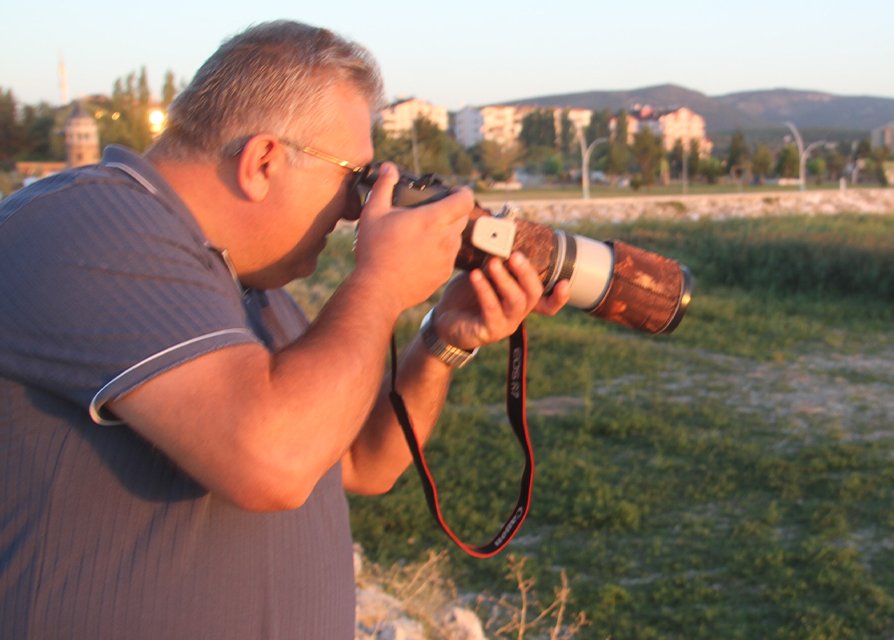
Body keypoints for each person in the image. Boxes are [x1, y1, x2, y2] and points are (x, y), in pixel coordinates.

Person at [0, 20, 568, 639]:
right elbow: (276, 461)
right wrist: (378, 285)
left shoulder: (243, 286)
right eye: (353, 176)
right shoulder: (86, 225)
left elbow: (361, 461)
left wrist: (443, 339)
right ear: (263, 160)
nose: (358, 206)